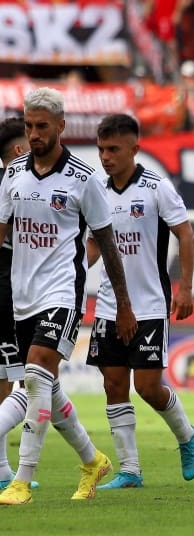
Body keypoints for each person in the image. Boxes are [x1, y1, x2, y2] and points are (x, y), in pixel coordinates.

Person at [0, 87, 137, 505]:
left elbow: (107, 243)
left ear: (61, 126)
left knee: (39, 373)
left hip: (62, 292)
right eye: (29, 126)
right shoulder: (12, 175)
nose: (35, 133)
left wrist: (124, 302)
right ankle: (92, 458)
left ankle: (21, 480)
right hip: (21, 296)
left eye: (42, 126)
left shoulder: (83, 179)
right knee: (45, 387)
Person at [84, 114, 194, 490]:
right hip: (107, 304)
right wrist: (70, 272)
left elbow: (185, 235)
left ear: (134, 149)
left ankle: (187, 436)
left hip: (150, 304)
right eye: (102, 149)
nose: (106, 157)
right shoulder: (96, 191)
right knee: (113, 385)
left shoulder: (156, 188)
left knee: (148, 387)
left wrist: (185, 288)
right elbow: (92, 244)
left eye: (114, 149)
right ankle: (130, 470)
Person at [0, 117, 31, 488]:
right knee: (34, 380)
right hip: (12, 294)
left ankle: (5, 471)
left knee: (8, 380)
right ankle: (91, 457)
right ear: (20, 150)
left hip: (13, 291)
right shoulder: (16, 186)